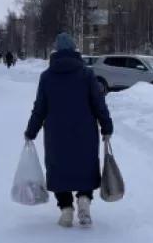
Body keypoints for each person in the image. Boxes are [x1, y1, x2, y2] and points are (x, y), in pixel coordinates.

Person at [24, 33, 113, 228]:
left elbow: (40, 108)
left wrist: (31, 131)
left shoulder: (46, 77)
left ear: (55, 52)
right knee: (85, 166)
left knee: (59, 169)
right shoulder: (87, 74)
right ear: (75, 51)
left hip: (56, 136)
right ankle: (84, 200)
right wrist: (107, 127)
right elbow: (99, 104)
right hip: (85, 133)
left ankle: (66, 209)